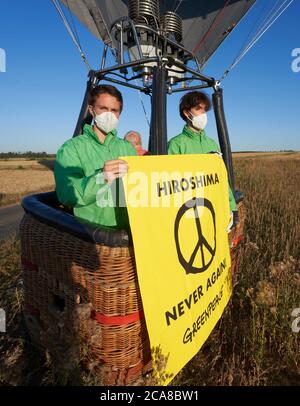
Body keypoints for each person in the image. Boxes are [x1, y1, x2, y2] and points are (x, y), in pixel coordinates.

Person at [54, 84, 137, 229]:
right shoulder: (71, 148)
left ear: (119, 114)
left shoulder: (127, 147)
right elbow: (66, 194)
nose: (109, 115)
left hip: (128, 229)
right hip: (93, 233)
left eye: (114, 110)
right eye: (103, 109)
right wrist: (101, 178)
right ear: (92, 110)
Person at [167, 91, 237, 213]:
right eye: (198, 108)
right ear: (186, 113)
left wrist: (232, 207)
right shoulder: (175, 144)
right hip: (189, 210)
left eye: (205, 109)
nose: (203, 113)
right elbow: (170, 186)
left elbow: (222, 179)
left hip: (213, 207)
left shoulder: (212, 143)